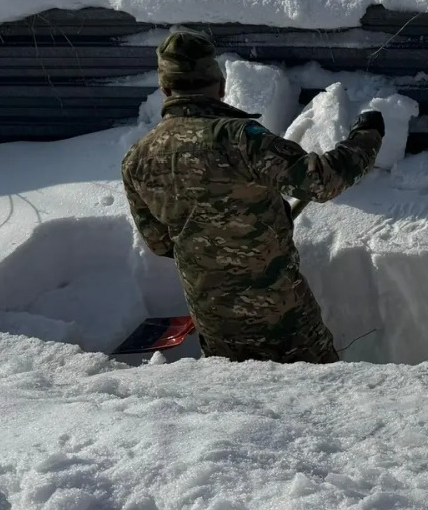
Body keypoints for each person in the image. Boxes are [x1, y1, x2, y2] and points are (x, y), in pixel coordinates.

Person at [121, 28, 385, 363]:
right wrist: (367, 136)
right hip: (281, 318)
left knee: (243, 407)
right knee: (319, 399)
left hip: (215, 323)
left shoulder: (138, 159)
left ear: (165, 88)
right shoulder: (239, 137)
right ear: (219, 85)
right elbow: (320, 182)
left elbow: (159, 243)